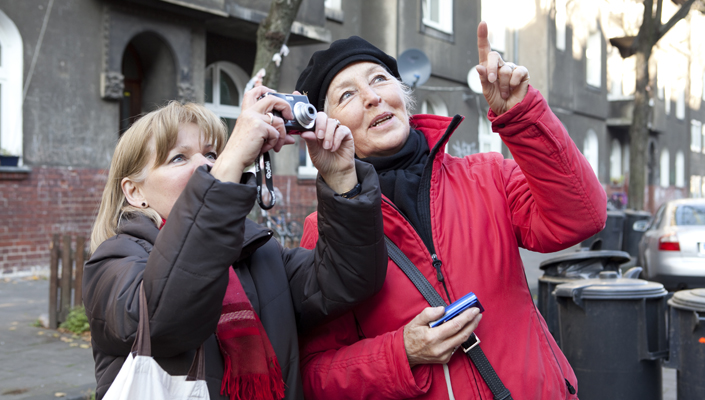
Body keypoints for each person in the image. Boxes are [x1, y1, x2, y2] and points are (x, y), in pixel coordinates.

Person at [295, 22, 607, 400]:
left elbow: (582, 217)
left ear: (402, 92)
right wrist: (401, 354)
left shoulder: (488, 176)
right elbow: (315, 374)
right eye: (346, 95)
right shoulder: (327, 228)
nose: (371, 97)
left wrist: (522, 118)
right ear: (327, 127)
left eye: (379, 79)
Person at [83, 85, 387, 400]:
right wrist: (229, 166)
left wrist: (341, 179)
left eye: (212, 154)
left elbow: (349, 278)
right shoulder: (112, 264)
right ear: (135, 192)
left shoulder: (256, 251)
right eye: (178, 158)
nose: (206, 166)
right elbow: (166, 319)